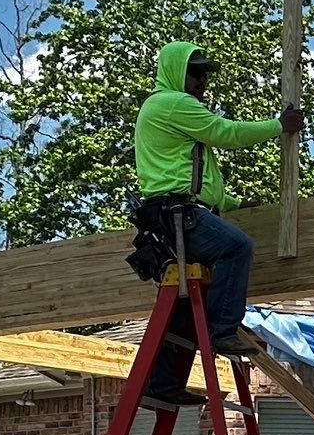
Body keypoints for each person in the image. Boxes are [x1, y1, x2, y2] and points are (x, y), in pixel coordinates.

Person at [126, 40, 302, 347]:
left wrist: (233, 203)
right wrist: (279, 125)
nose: (202, 81)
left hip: (170, 215)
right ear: (176, 71)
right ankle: (222, 332)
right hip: (175, 214)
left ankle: (163, 387)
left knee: (180, 309)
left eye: (205, 74)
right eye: (196, 73)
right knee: (237, 247)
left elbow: (195, 179)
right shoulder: (172, 103)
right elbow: (226, 133)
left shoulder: (165, 109)